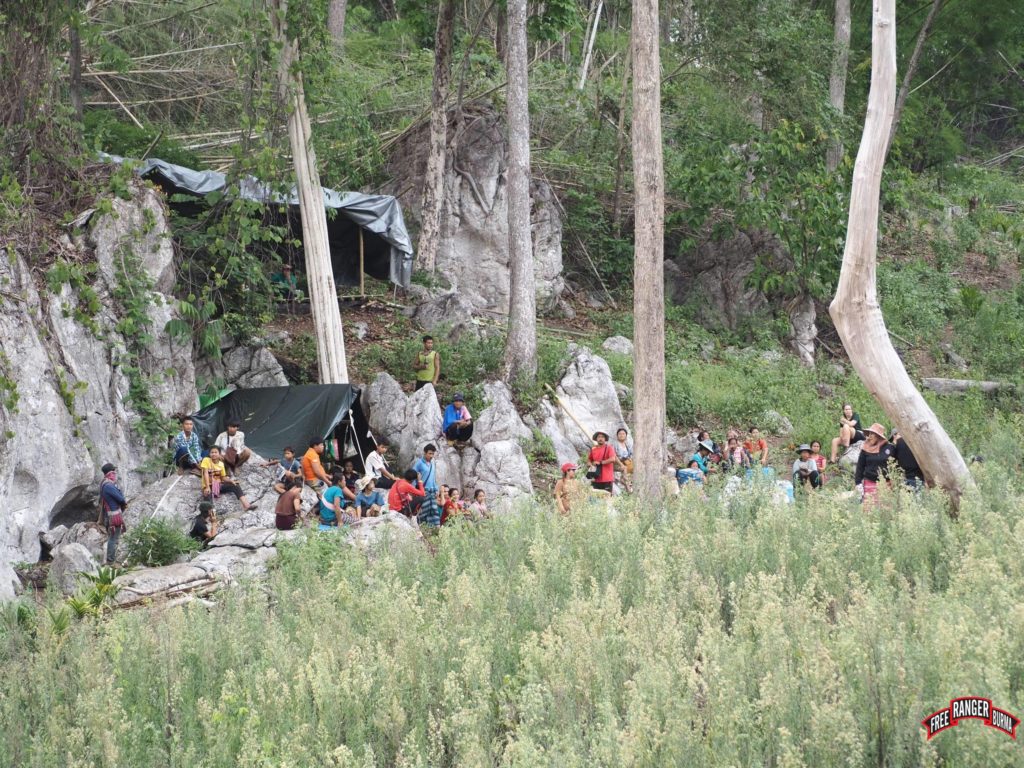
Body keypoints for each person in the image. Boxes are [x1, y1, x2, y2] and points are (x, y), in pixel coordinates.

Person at [200, 446, 256, 510]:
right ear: (209, 454)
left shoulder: (221, 464)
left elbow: (223, 477)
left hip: (218, 485)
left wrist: (230, 481)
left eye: (216, 452)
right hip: (209, 486)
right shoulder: (206, 460)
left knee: (236, 485)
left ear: (219, 454)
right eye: (212, 452)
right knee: (207, 496)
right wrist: (207, 487)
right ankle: (210, 517)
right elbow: (205, 473)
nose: (214, 454)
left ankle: (247, 506)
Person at [854, 423, 895, 502]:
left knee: (884, 509)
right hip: (869, 482)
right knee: (870, 509)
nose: (870, 436)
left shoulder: (889, 448)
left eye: (873, 434)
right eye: (869, 433)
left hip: (885, 484)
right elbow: (860, 466)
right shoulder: (865, 447)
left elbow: (896, 464)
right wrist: (858, 483)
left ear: (879, 436)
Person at [98, 463, 127, 566]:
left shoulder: (103, 484)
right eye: (114, 471)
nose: (115, 474)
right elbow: (121, 499)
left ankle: (111, 559)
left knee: (112, 537)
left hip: (108, 515)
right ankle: (111, 561)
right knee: (113, 538)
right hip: (113, 516)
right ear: (111, 473)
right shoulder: (109, 486)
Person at [413, 443, 441, 526]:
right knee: (423, 511)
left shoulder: (432, 464)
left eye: (433, 454)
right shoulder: (419, 463)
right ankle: (421, 528)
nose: (431, 456)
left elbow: (433, 478)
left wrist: (436, 489)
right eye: (429, 453)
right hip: (423, 491)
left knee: (433, 511)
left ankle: (434, 529)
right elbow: (413, 476)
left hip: (432, 492)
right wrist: (414, 491)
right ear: (424, 453)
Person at [613, 428, 634, 492]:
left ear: (626, 435)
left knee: (634, 468)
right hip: (616, 463)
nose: (621, 435)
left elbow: (630, 454)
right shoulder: (615, 444)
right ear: (617, 436)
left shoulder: (627, 445)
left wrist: (629, 459)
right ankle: (628, 490)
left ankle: (627, 482)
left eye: (623, 434)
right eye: (620, 434)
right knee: (624, 468)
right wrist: (621, 463)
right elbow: (613, 455)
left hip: (625, 462)